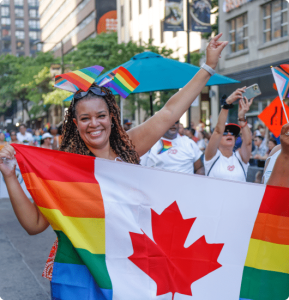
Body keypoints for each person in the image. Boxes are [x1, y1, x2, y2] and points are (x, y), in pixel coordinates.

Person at [0, 33, 227, 290]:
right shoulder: (63, 170)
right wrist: (9, 176)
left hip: (131, 271)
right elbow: (34, 225)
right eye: (85, 118)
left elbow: (169, 112)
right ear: (75, 123)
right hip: (78, 276)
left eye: (101, 115)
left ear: (112, 117)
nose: (94, 124)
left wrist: (207, 67)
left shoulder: (130, 148)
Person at [204, 88, 254, 182]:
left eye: (232, 133)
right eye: (225, 133)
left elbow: (247, 143)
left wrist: (242, 118)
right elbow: (218, 131)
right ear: (218, 140)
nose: (229, 134)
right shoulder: (212, 157)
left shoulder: (240, 158)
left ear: (235, 138)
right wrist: (226, 105)